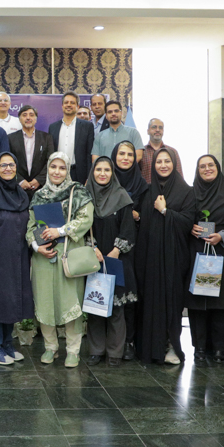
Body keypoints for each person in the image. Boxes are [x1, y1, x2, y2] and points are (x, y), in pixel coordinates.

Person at [27, 152, 95, 368]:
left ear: (68, 170)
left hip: (69, 255)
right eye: (53, 167)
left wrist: (60, 231)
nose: (57, 172)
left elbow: (86, 219)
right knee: (45, 301)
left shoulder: (78, 192)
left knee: (70, 301)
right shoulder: (39, 195)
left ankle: (73, 350)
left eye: (62, 167)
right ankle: (50, 347)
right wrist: (37, 246)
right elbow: (30, 226)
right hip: (44, 258)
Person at [135, 149, 195, 365]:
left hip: (175, 258)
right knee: (151, 301)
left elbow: (188, 222)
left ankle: (172, 347)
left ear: (174, 163)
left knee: (172, 302)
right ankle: (152, 347)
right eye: (159, 161)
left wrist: (165, 211)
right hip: (150, 257)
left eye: (167, 161)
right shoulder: (147, 191)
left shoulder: (186, 192)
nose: (163, 165)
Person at [186, 155, 224, 363]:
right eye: (202, 166)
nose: (207, 169)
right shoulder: (191, 194)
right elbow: (183, 217)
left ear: (218, 167)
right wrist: (190, 227)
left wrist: (222, 236)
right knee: (199, 303)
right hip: (198, 252)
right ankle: (200, 348)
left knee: (222, 304)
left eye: (210, 165)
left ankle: (220, 348)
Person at [0, 152, 34, 366]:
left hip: (19, 257)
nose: (8, 168)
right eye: (3, 165)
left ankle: (7, 344)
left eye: (11, 164)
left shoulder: (22, 195)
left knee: (13, 300)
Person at [84, 156, 137, 367]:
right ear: (93, 172)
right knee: (95, 305)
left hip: (117, 259)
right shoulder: (86, 197)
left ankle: (115, 352)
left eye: (107, 170)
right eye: (98, 170)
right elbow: (82, 227)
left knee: (116, 308)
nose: (103, 173)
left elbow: (129, 229)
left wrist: (116, 250)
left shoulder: (121, 196)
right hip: (93, 258)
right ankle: (96, 350)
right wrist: (93, 247)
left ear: (112, 173)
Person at [111, 140, 149, 360]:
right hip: (109, 246)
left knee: (131, 293)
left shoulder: (142, 185)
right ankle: (112, 341)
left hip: (135, 247)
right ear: (114, 156)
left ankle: (130, 341)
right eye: (121, 154)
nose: (125, 158)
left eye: (129, 154)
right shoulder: (105, 180)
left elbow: (149, 215)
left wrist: (137, 215)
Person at [48, 92, 95, 185]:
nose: (69, 105)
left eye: (72, 103)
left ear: (77, 106)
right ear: (62, 106)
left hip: (79, 174)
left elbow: (89, 154)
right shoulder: (53, 127)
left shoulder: (87, 126)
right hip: (58, 173)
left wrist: (89, 177)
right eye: (66, 102)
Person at [9, 105, 54, 199]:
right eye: (24, 115)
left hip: (41, 188)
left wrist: (39, 180)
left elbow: (50, 161)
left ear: (36, 119)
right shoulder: (10, 138)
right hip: (17, 188)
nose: (28, 118)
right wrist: (20, 181)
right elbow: (8, 162)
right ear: (19, 119)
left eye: (31, 115)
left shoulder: (46, 138)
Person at [91, 100, 143, 164]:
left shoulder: (133, 133)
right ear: (106, 116)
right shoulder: (99, 136)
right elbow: (95, 159)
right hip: (106, 170)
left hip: (127, 169)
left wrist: (125, 167)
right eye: (110, 112)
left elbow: (138, 155)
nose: (113, 114)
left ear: (121, 113)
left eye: (116, 111)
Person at [139, 118, 183, 183]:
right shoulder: (141, 152)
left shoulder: (173, 152)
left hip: (169, 189)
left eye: (160, 128)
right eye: (154, 127)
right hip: (146, 189)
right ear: (148, 131)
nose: (157, 130)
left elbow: (179, 177)